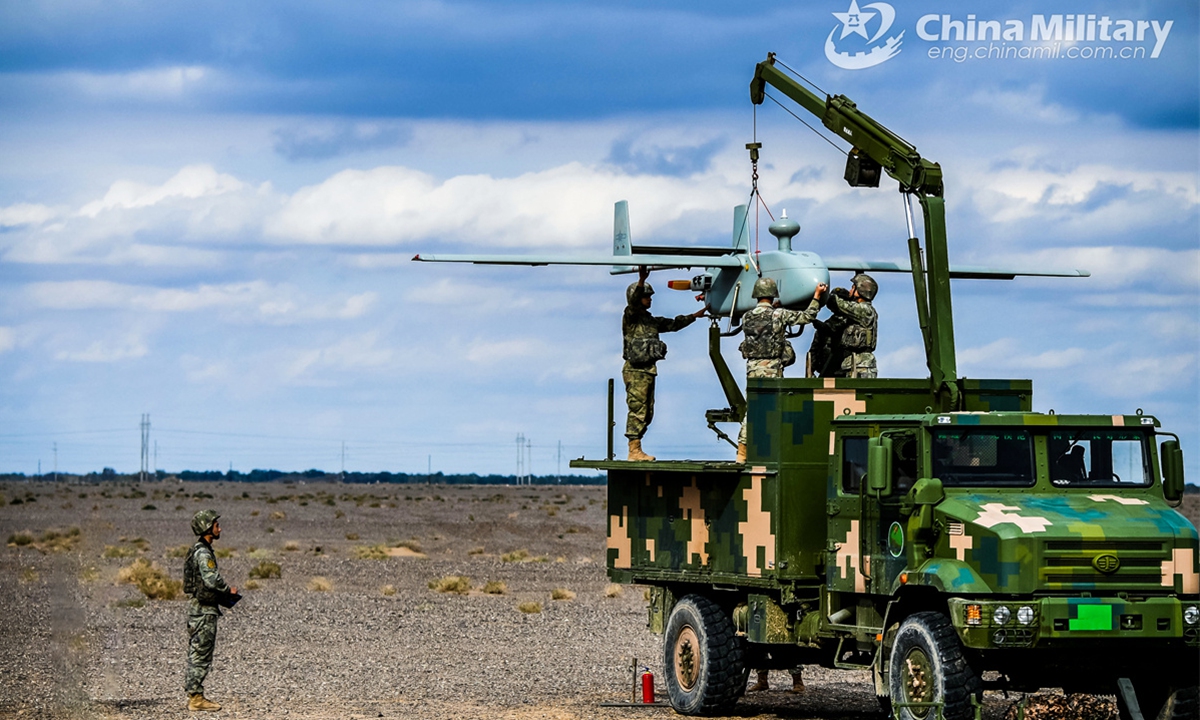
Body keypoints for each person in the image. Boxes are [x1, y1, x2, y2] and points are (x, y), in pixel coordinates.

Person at [736, 277, 827, 463]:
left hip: (752, 367)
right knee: (773, 410)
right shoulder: (779, 315)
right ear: (773, 294)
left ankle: (742, 452)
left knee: (753, 408)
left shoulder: (747, 317)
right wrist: (817, 296)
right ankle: (771, 451)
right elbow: (807, 316)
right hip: (772, 368)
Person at [623, 266, 707, 461]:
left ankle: (637, 448)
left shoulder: (650, 321)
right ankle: (633, 450)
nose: (650, 299)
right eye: (646, 296)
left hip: (647, 370)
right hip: (636, 371)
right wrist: (641, 280)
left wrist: (694, 316)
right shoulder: (631, 316)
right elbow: (634, 303)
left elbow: (673, 324)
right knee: (638, 409)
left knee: (647, 411)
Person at [184, 509, 238, 712]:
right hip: (204, 612)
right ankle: (196, 699)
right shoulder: (203, 552)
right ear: (208, 528)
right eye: (216, 525)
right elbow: (211, 579)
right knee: (201, 654)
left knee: (197, 652)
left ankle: (194, 694)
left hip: (199, 609)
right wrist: (228, 590)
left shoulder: (198, 549)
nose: (219, 528)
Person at [809, 273, 878, 379]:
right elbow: (833, 329)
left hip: (860, 366)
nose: (850, 291)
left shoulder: (863, 310)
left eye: (853, 288)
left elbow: (835, 303)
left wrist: (821, 291)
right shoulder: (858, 313)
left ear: (860, 290)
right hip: (854, 364)